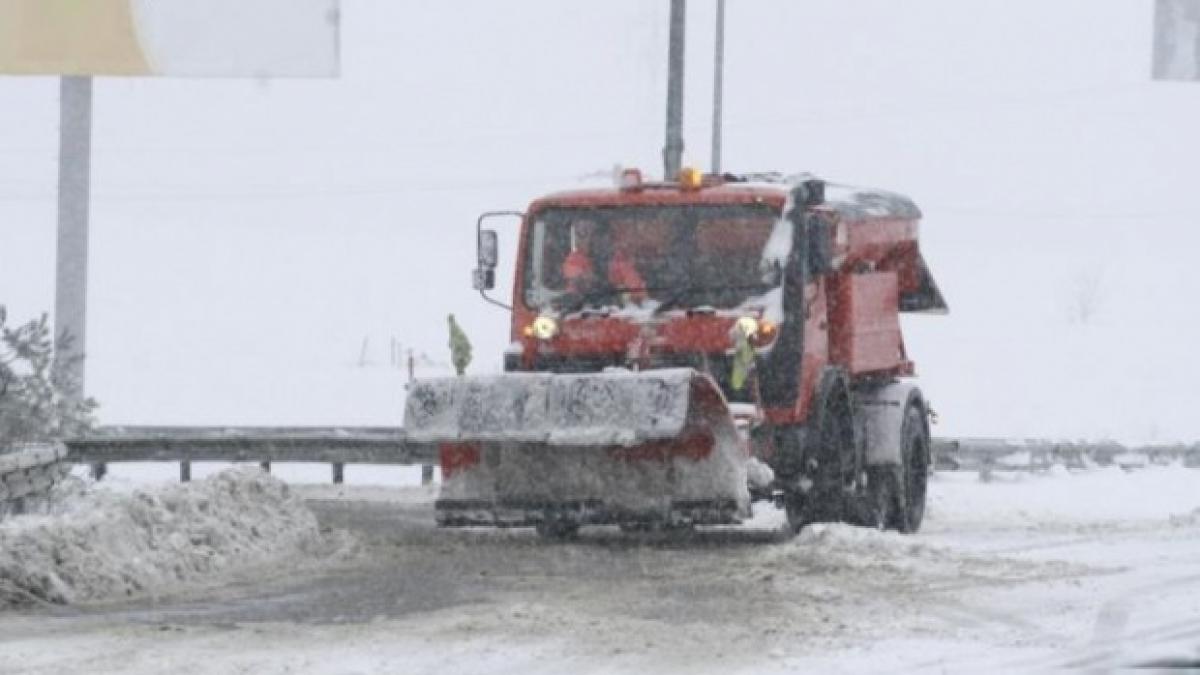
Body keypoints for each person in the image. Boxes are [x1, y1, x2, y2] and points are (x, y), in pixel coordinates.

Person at [560, 218, 646, 303]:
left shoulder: (621, 262)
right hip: (579, 307)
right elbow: (574, 274)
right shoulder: (577, 258)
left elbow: (637, 290)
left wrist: (618, 293)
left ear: (613, 242)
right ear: (591, 241)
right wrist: (586, 280)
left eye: (606, 241)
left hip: (615, 310)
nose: (601, 245)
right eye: (597, 240)